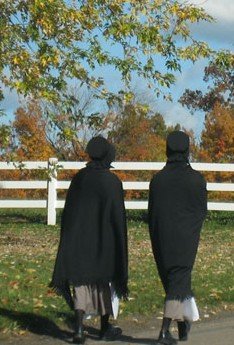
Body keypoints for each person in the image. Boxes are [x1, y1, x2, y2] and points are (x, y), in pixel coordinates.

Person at [50, 136, 128, 344]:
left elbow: (69, 212)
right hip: (104, 240)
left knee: (81, 283)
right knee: (104, 282)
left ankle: (78, 329)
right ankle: (104, 328)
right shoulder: (112, 182)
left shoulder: (79, 179)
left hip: (80, 238)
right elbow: (117, 217)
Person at [148, 131, 207, 345]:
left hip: (162, 235)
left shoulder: (158, 180)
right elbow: (202, 210)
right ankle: (164, 330)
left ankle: (182, 324)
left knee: (174, 279)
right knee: (180, 277)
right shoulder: (196, 179)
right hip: (186, 236)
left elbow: (152, 210)